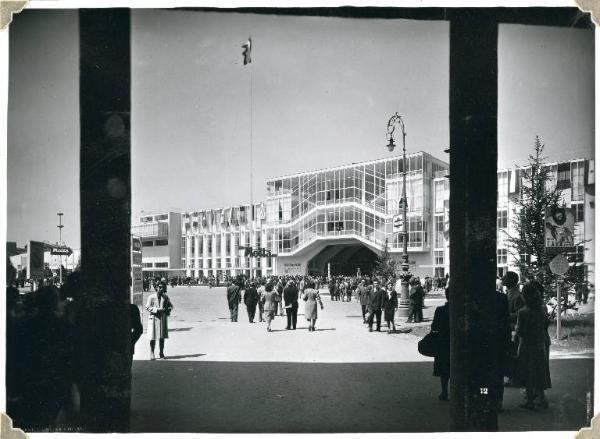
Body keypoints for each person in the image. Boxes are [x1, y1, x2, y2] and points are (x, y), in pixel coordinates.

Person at [515, 281, 551, 410]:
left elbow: (520, 332)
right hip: (540, 345)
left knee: (528, 373)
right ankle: (541, 398)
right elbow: (545, 325)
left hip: (526, 346)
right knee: (539, 371)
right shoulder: (542, 311)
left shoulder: (522, 312)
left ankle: (530, 401)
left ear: (524, 296)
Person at [503, 270, 525, 384]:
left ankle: (515, 378)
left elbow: (520, 314)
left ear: (511, 280)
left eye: (505, 277)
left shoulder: (517, 295)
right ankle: (513, 378)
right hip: (511, 328)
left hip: (514, 329)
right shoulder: (511, 293)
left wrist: (504, 314)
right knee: (511, 353)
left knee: (514, 354)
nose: (502, 278)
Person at [431, 286, 450, 401]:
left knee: (444, 370)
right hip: (459, 344)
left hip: (443, 343)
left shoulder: (440, 310)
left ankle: (444, 392)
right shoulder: (463, 310)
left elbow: (434, 326)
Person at [146, 283, 173, 360]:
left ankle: (161, 353)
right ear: (156, 287)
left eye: (163, 287)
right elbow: (147, 307)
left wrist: (168, 309)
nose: (161, 288)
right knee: (153, 336)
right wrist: (157, 310)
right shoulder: (151, 297)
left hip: (162, 318)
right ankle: (152, 352)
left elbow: (171, 306)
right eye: (160, 287)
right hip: (154, 317)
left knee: (162, 337)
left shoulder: (165, 297)